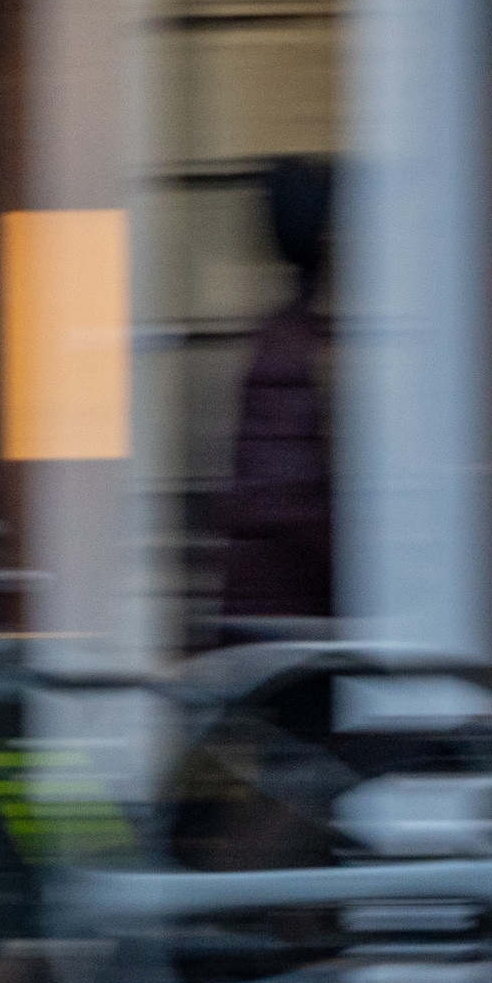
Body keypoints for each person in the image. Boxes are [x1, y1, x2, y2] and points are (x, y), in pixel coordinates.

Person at [214, 155, 338, 638]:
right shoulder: (296, 345)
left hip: (276, 606)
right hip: (292, 612)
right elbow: (290, 502)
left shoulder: (282, 337)